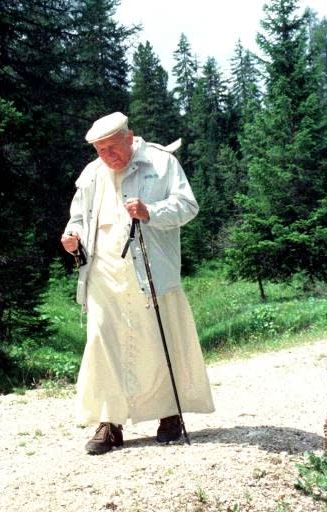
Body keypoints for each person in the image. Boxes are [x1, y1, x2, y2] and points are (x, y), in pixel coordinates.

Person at [61, 112, 214, 455]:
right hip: (103, 275)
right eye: (100, 150)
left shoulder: (162, 163)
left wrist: (150, 212)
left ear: (130, 138)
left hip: (151, 270)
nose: (108, 157)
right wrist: (73, 238)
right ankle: (109, 422)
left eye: (113, 148)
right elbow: (78, 218)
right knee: (103, 343)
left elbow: (188, 206)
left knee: (159, 342)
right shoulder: (91, 174)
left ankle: (169, 414)